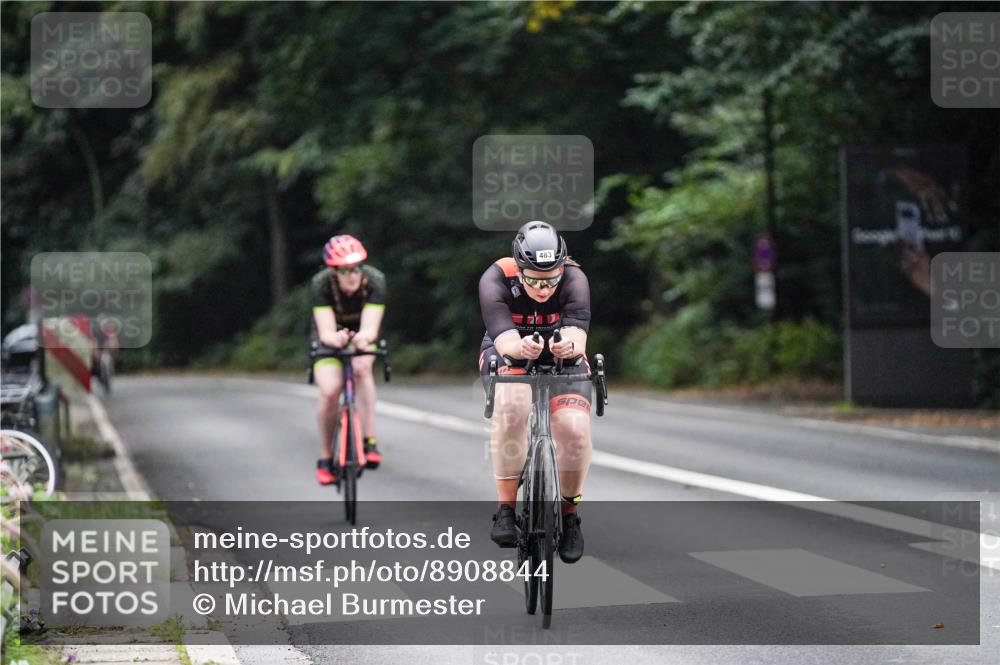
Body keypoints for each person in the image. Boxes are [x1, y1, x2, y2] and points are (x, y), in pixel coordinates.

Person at [477, 221, 593, 564]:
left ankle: (570, 516)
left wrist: (567, 346)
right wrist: (520, 347)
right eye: (534, 280)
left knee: (573, 430)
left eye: (551, 280)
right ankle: (506, 510)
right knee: (513, 408)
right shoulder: (496, 278)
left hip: (562, 352)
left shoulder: (574, 278)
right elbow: (503, 336)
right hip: (509, 348)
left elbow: (578, 337)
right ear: (519, 267)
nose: (543, 289)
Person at [311, 234, 386, 485]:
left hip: (361, 332)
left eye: (356, 268)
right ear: (333, 271)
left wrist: (363, 339)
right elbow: (325, 332)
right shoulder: (321, 284)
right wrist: (336, 339)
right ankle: (324, 457)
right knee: (331, 390)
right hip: (331, 334)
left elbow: (370, 328)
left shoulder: (375, 280)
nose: (352, 275)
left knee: (362, 368)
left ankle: (370, 440)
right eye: (345, 271)